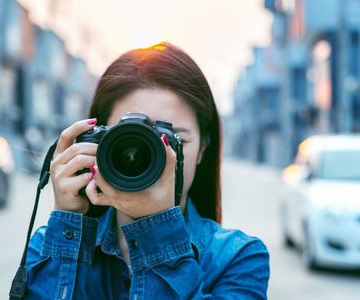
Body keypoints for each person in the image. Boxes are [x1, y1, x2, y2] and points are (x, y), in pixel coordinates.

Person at [24, 42, 270, 299]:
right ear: (93, 144)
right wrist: (68, 224)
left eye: (173, 141)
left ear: (202, 149)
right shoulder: (48, 248)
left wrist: (158, 233)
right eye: (126, 140)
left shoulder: (238, 258)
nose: (157, 159)